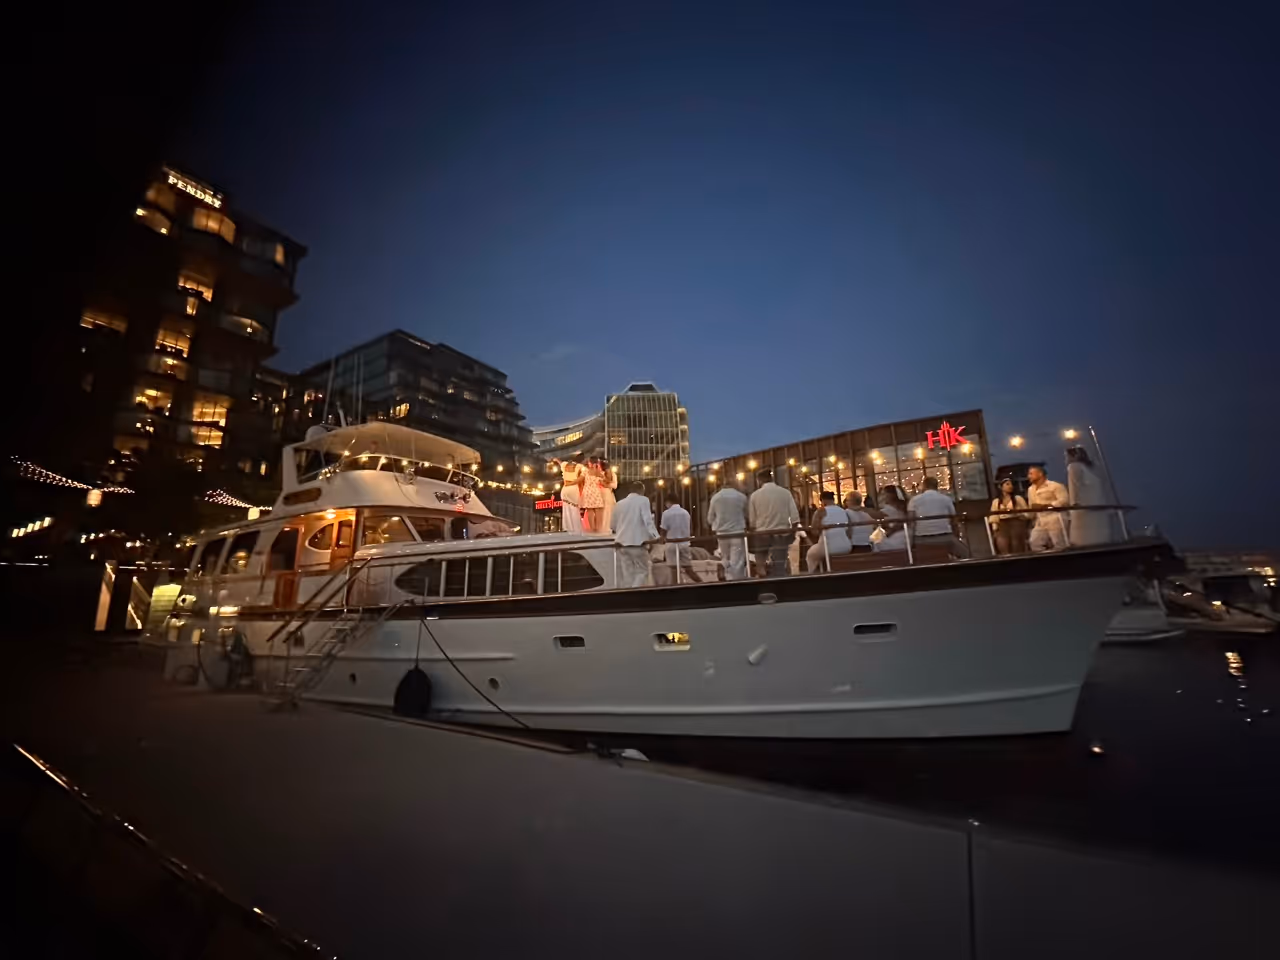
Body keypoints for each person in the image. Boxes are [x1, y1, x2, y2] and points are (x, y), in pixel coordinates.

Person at [748, 469, 800, 577]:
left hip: (762, 534)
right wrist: (792, 533)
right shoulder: (785, 493)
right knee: (780, 564)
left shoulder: (754, 496)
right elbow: (795, 517)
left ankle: (765, 583)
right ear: (772, 478)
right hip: (781, 533)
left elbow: (752, 522)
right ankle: (781, 586)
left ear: (759, 480)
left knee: (760, 564)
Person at [610, 481, 659, 587]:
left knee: (628, 573)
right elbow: (648, 521)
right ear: (641, 490)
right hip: (637, 543)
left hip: (621, 543)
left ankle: (627, 596)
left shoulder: (619, 504)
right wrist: (656, 536)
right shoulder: (643, 500)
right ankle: (633, 592)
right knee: (643, 571)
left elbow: (612, 525)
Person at [1066, 446, 1114, 547]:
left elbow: (1074, 486)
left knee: (1083, 537)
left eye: (1067, 456)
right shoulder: (1093, 467)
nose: (1066, 459)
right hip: (1098, 504)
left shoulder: (1073, 467)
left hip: (1083, 507)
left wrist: (1074, 503)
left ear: (1073, 456)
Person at [908, 476, 967, 558]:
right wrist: (956, 536)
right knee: (966, 554)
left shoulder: (914, 500)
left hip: (922, 538)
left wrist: (911, 542)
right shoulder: (946, 499)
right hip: (945, 537)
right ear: (937, 486)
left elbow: (911, 522)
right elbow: (954, 520)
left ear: (924, 486)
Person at [707, 480, 750, 580]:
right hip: (737, 531)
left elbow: (709, 518)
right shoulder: (741, 497)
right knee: (737, 558)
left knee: (724, 556)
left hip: (721, 533)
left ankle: (725, 571)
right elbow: (747, 515)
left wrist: (716, 524)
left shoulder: (715, 498)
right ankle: (735, 579)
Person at [805, 491, 853, 572]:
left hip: (829, 547)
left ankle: (813, 574)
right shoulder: (844, 511)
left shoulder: (821, 511)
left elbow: (814, 531)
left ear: (823, 500)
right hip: (846, 546)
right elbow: (849, 531)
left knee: (810, 555)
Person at [1026, 465, 1069, 552]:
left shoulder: (1055, 486)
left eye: (1031, 473)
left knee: (1060, 545)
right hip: (1040, 520)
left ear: (1040, 474)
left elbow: (1064, 500)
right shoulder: (1030, 489)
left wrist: (1046, 506)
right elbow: (1032, 506)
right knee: (1035, 543)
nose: (1028, 476)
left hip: (1055, 518)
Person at [659, 496, 699, 582]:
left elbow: (663, 530)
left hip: (671, 544)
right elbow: (691, 529)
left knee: (674, 570)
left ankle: (675, 589)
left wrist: (661, 539)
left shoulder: (666, 513)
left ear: (668, 502)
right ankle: (702, 584)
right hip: (684, 544)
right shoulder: (686, 513)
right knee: (688, 569)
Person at [990, 478, 1030, 555]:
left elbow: (1027, 513)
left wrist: (1017, 514)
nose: (1010, 486)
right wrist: (995, 528)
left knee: (1016, 546)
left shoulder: (1018, 498)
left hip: (1016, 523)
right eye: (1007, 484)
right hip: (1002, 524)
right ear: (1001, 487)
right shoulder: (996, 501)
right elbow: (993, 516)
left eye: (1011, 484)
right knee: (1002, 546)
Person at [868, 484, 909, 553]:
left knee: (876, 541)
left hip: (895, 538)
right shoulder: (903, 507)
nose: (882, 496)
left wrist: (862, 509)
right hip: (905, 536)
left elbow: (876, 517)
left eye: (884, 494)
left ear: (890, 495)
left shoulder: (888, 510)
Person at [555, 459, 584, 534]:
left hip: (566, 488)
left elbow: (560, 462)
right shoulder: (579, 467)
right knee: (574, 509)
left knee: (566, 508)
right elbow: (582, 477)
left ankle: (568, 527)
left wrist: (556, 459)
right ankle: (576, 528)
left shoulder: (565, 465)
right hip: (573, 488)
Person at [581, 458, 607, 533]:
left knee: (590, 510)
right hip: (596, 491)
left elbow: (581, 480)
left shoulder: (585, 471)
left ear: (590, 463)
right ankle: (598, 528)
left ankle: (591, 528)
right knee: (598, 510)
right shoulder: (599, 472)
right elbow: (604, 480)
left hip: (587, 491)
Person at [598, 460, 618, 534]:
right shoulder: (611, 474)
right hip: (606, 493)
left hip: (604, 493)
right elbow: (615, 486)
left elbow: (615, 486)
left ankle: (605, 528)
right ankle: (606, 528)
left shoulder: (600, 474)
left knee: (605, 511)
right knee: (607, 511)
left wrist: (605, 485)